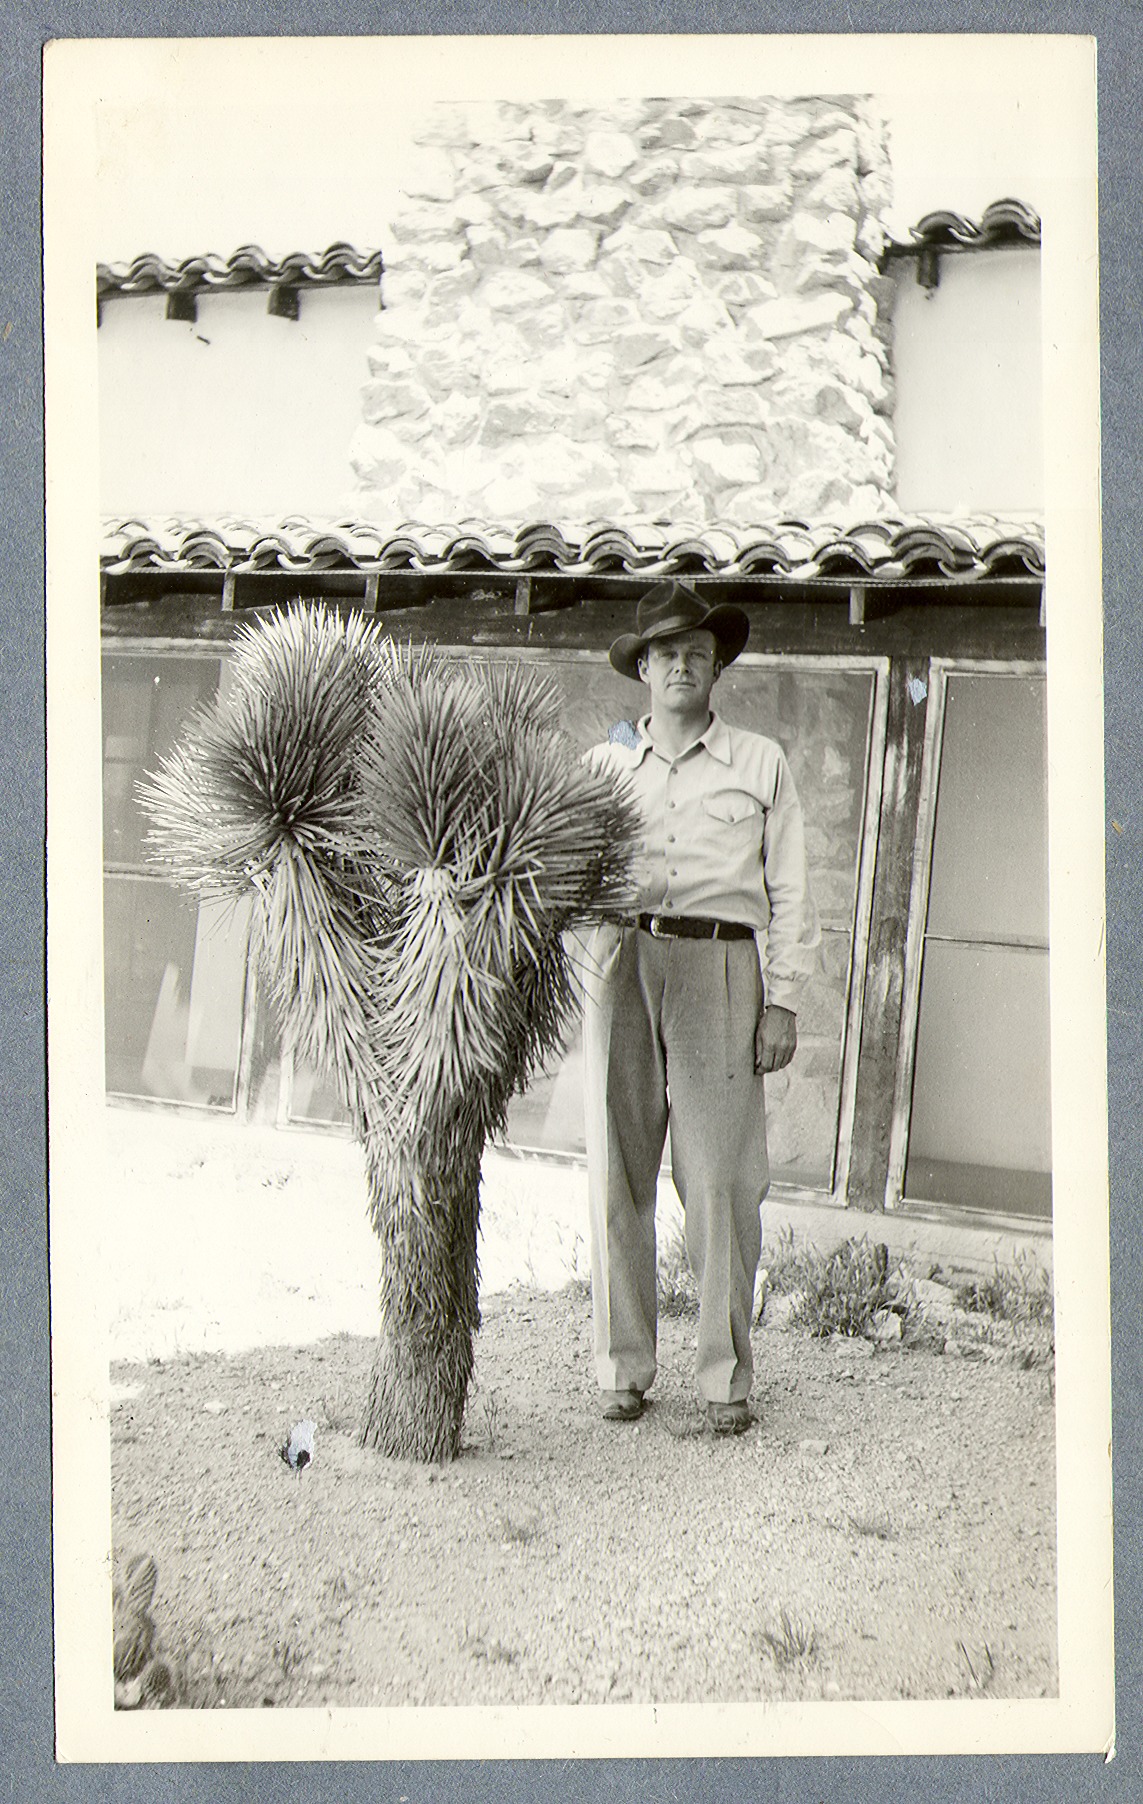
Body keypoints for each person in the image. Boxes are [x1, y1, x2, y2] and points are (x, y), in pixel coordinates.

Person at [581, 579, 820, 1434]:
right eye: (666, 652)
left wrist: (781, 1000)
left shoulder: (759, 763)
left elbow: (791, 888)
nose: (682, 664)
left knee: (720, 1179)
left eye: (697, 653)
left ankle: (724, 1380)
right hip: (623, 962)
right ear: (642, 669)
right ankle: (623, 1369)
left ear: (715, 668)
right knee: (617, 1169)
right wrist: (588, 957)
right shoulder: (604, 767)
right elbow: (570, 872)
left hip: (722, 968)